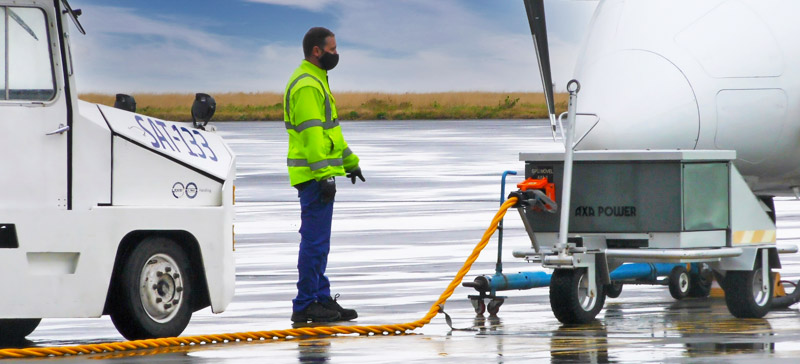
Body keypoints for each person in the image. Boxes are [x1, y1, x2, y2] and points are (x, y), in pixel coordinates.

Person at [283, 26, 366, 323]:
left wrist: (350, 162)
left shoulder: (318, 81)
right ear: (316, 51)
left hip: (321, 175)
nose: (336, 54)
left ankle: (320, 297)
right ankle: (305, 303)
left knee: (320, 243)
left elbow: (332, 135)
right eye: (332, 49)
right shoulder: (307, 85)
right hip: (313, 177)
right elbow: (312, 136)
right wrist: (322, 176)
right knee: (314, 243)